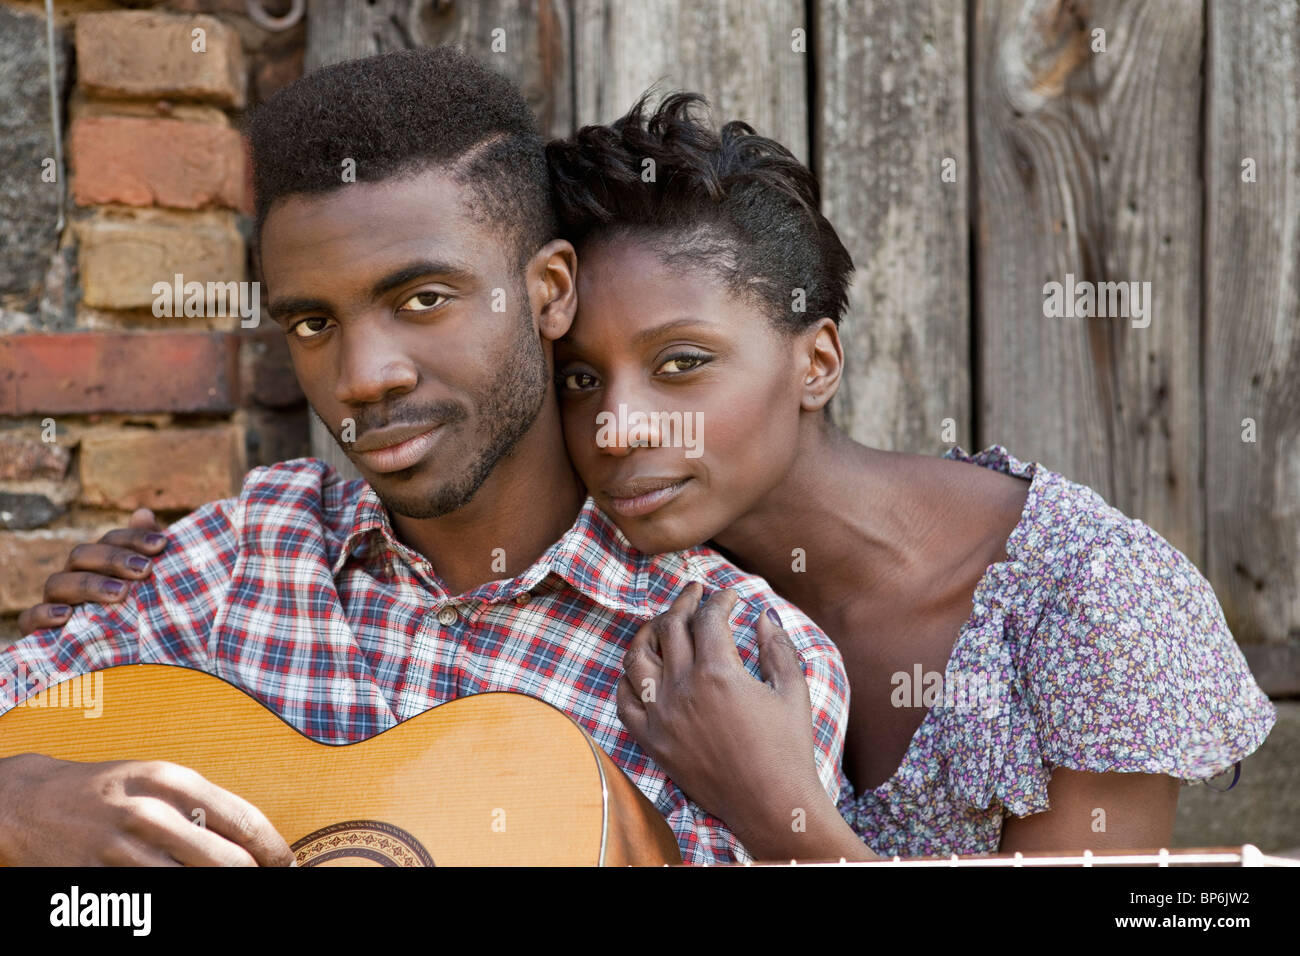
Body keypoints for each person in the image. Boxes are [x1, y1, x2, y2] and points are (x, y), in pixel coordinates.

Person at [20, 90, 1278, 862]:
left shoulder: (1076, 603)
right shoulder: (268, 552)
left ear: (815, 357)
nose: (618, 427)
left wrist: (786, 812)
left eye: (681, 365)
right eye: (580, 378)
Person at [0, 50, 851, 867]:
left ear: (549, 291)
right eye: (312, 325)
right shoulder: (240, 558)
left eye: (423, 299)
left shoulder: (730, 663)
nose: (363, 378)